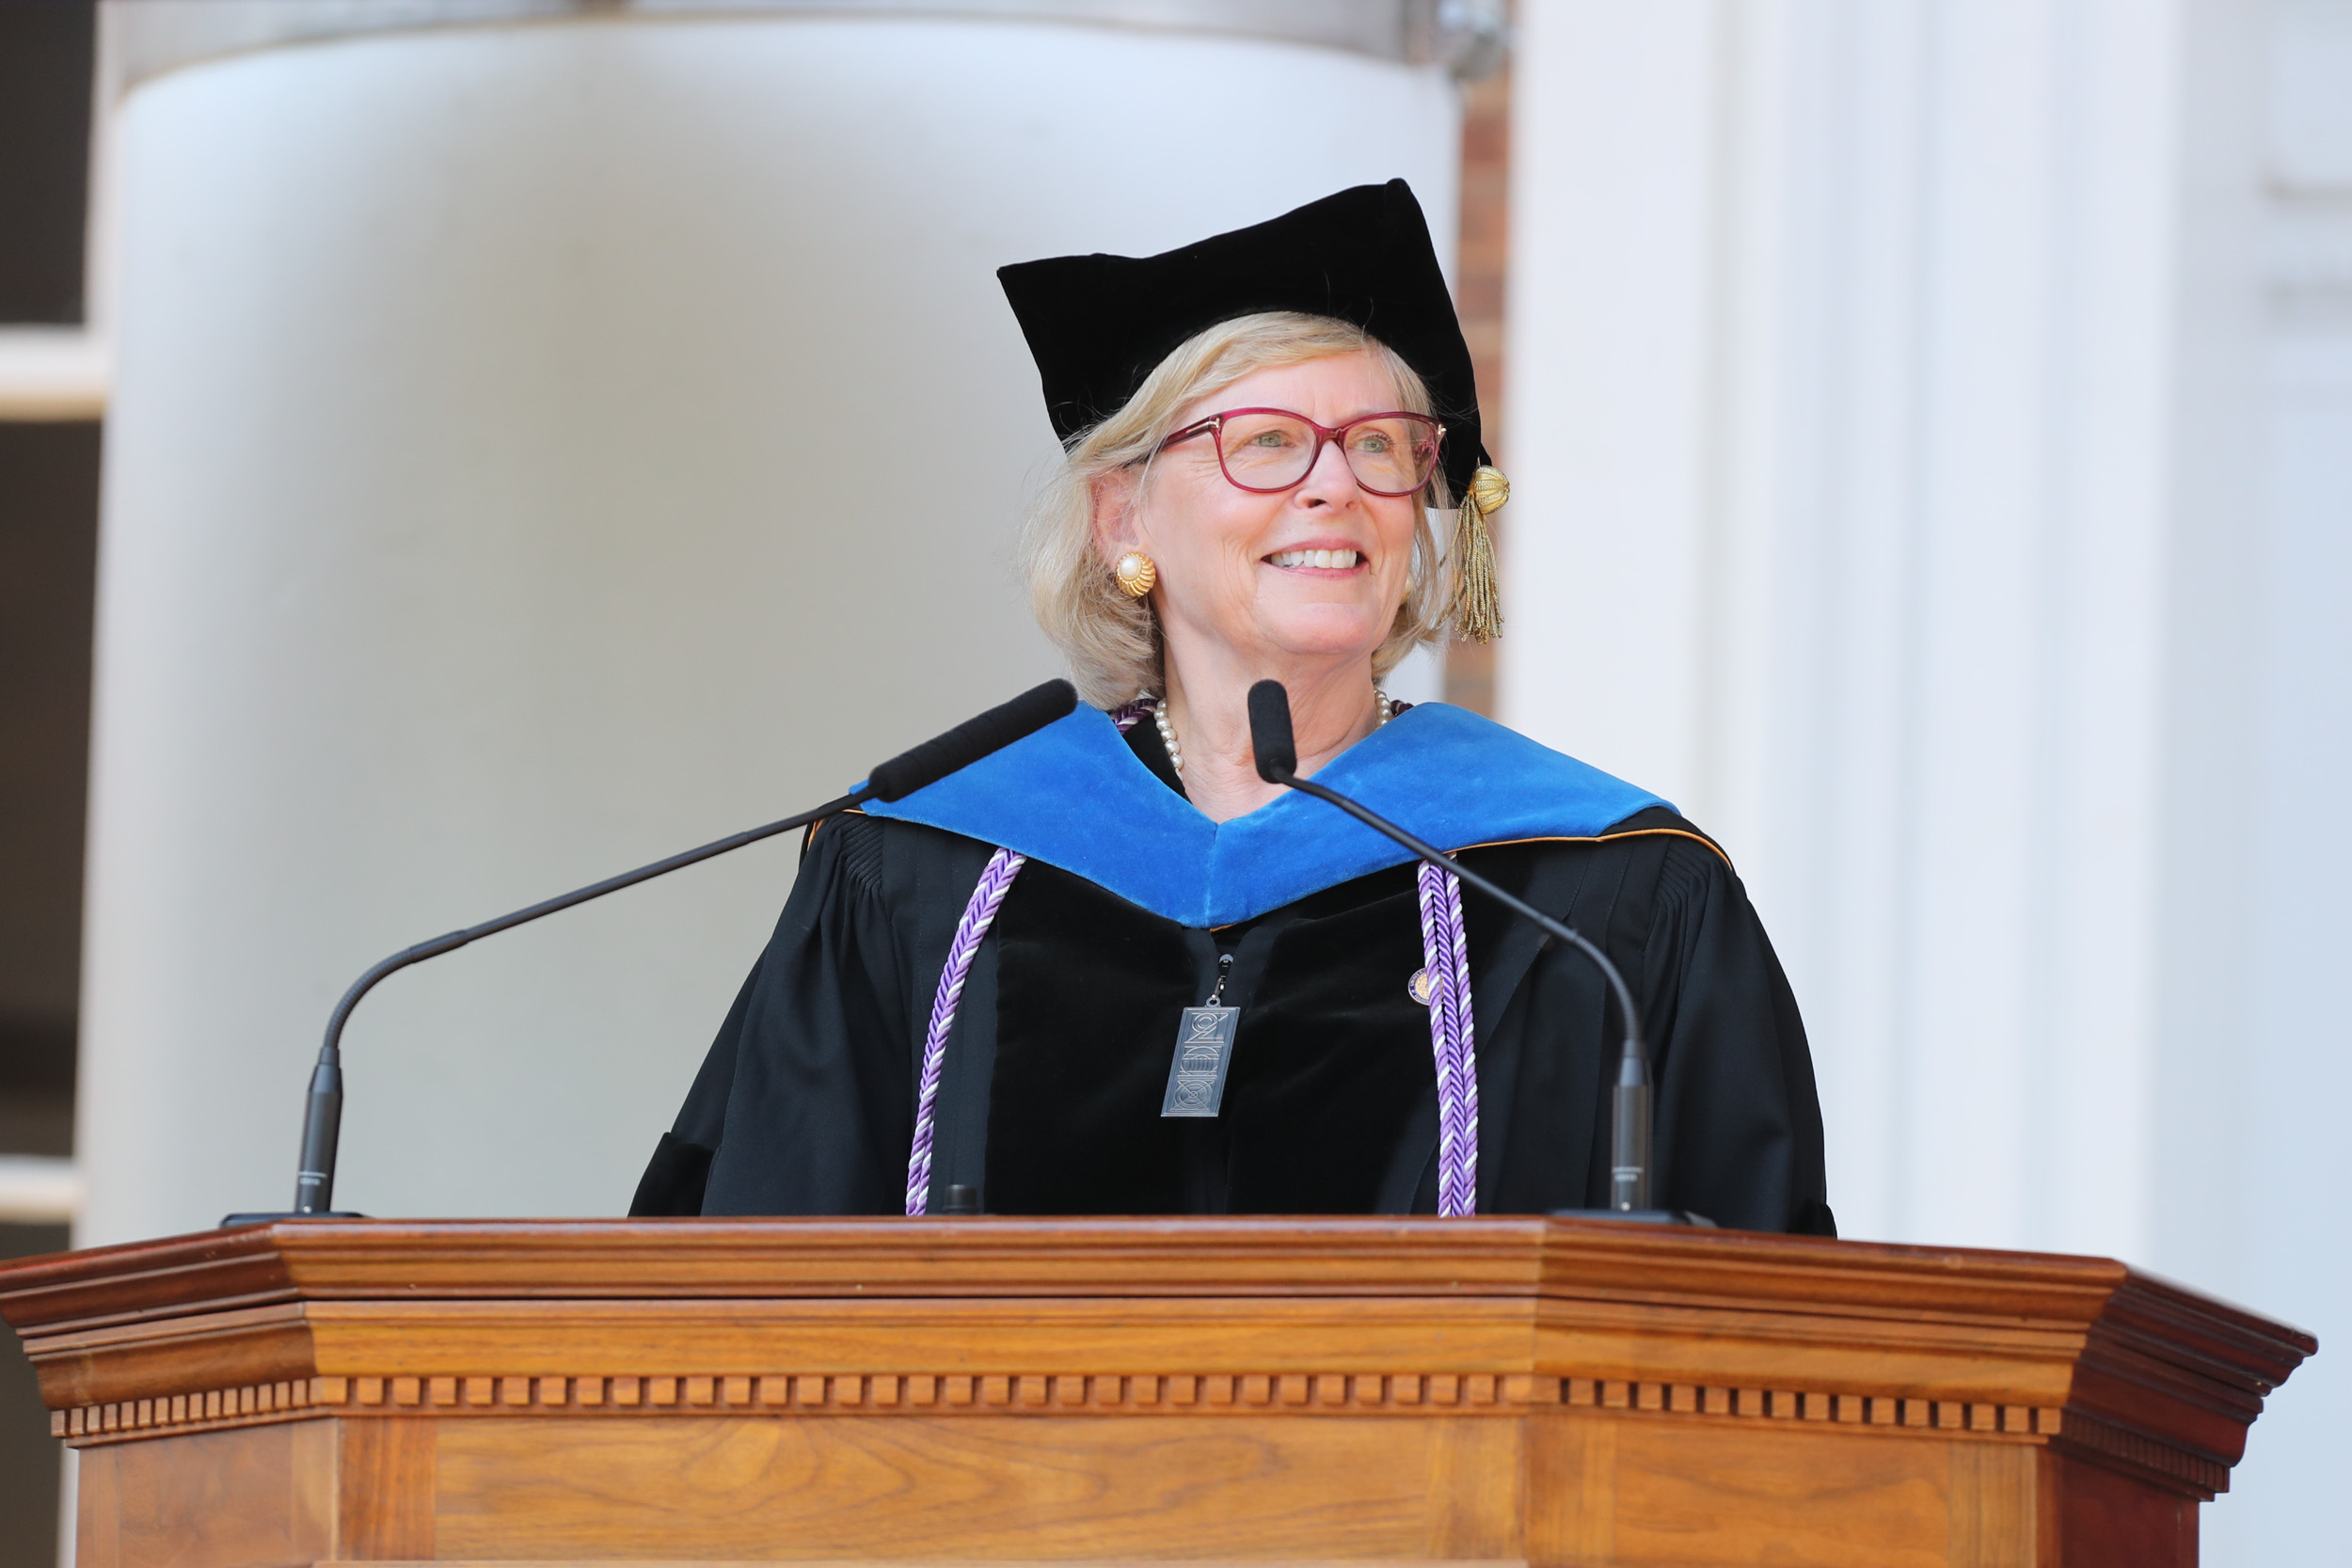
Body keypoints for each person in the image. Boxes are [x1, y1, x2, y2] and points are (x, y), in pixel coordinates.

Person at [632, 182, 1833, 1231]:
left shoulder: (1600, 889)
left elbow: (1753, 1308)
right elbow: (743, 1279)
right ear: (1123, 519)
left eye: (1379, 446)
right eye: (1264, 442)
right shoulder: (920, 866)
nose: (1332, 486)